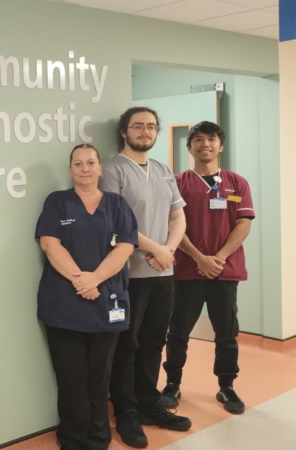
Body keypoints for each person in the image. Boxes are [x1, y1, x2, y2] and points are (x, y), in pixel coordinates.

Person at [99, 106, 191, 448]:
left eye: (151, 126)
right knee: (127, 346)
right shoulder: (111, 171)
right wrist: (158, 250)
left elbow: (178, 216)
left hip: (163, 273)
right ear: (124, 131)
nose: (145, 131)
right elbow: (119, 225)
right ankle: (126, 411)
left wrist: (168, 250)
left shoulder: (165, 170)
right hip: (129, 274)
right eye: (138, 126)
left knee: (154, 343)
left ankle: (150, 404)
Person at [36, 144, 137, 450]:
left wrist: (95, 279)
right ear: (70, 170)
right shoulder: (57, 202)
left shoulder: (117, 204)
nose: (84, 168)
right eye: (78, 163)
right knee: (70, 379)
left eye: (90, 162)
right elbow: (51, 245)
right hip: (64, 305)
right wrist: (82, 281)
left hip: (108, 302)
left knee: (99, 379)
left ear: (99, 168)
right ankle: (72, 438)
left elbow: (125, 248)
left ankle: (97, 438)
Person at [161, 122, 254, 414]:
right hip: (187, 271)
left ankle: (226, 387)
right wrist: (199, 257)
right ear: (189, 147)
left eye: (211, 139)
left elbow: (243, 223)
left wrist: (220, 258)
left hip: (224, 272)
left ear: (220, 145)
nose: (205, 145)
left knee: (226, 332)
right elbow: (173, 223)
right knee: (178, 332)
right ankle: (173, 384)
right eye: (198, 140)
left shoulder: (236, 184)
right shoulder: (177, 183)